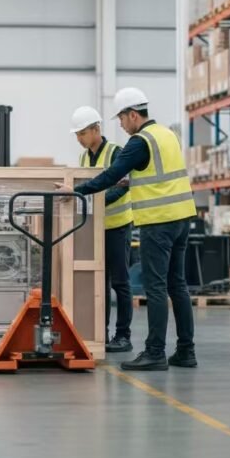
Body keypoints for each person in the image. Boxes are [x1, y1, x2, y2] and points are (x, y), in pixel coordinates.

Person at [58, 88, 198, 371]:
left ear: (133, 114)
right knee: (177, 286)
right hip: (182, 218)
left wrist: (75, 191)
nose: (120, 124)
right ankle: (185, 351)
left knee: (156, 288)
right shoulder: (167, 134)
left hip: (157, 221)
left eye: (121, 118)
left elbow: (112, 175)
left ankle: (155, 352)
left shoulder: (139, 141)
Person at [70, 106, 134, 353]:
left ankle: (123, 336)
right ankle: (102, 334)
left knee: (121, 283)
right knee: (100, 283)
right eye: (76, 134)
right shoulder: (83, 158)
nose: (79, 139)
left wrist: (94, 201)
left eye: (82, 133)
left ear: (96, 129)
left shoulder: (116, 153)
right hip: (94, 228)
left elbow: (122, 187)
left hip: (117, 227)